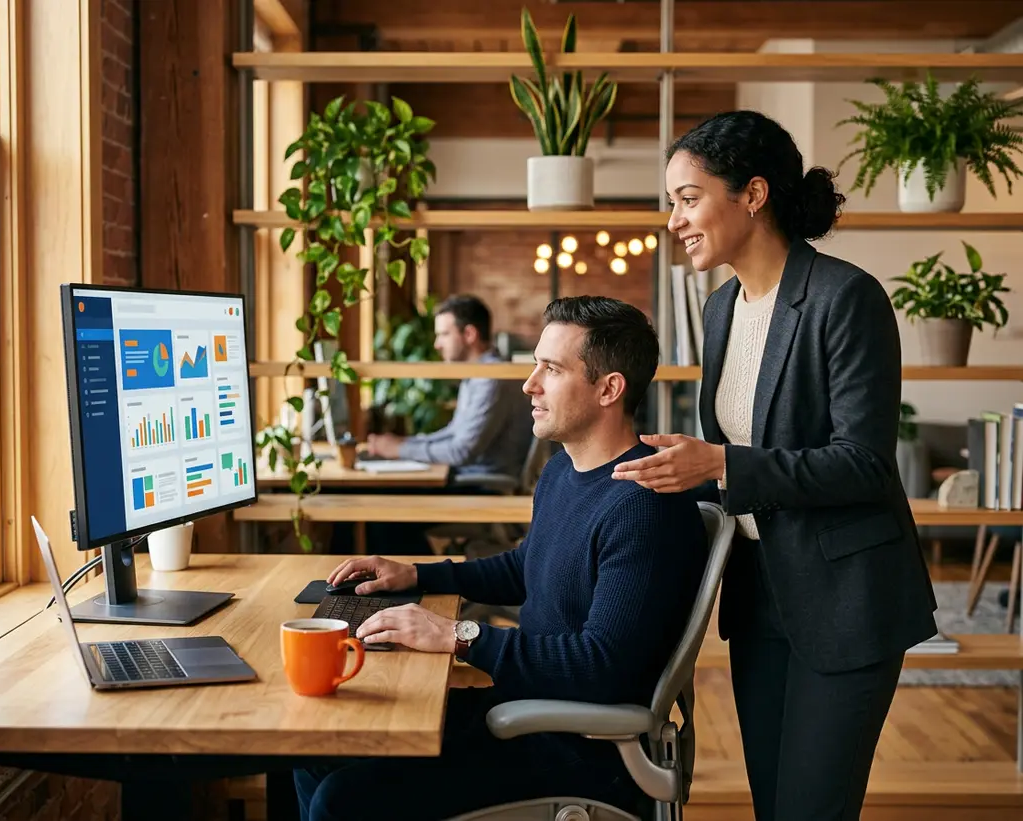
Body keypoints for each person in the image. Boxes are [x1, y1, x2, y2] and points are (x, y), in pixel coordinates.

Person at [611, 110, 938, 821]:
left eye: (688, 197)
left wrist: (722, 462)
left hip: (847, 599)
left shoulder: (844, 298)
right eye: (673, 202)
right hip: (763, 601)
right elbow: (743, 449)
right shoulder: (723, 308)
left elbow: (863, 464)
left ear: (752, 194)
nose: (675, 220)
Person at [293, 296, 710, 821]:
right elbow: (524, 568)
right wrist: (416, 573)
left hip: (580, 748)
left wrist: (459, 636)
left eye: (551, 369)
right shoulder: (565, 471)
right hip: (528, 707)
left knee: (342, 800)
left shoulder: (642, 503)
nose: (529, 384)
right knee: (315, 753)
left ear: (609, 389)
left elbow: (603, 668)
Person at [365, 294, 531, 481]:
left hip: (479, 482)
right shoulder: (478, 374)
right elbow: (453, 433)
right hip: (465, 475)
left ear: (469, 334)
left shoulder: (491, 377)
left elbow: (461, 452)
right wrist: (403, 443)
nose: (437, 345)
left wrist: (399, 449)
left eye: (444, 334)